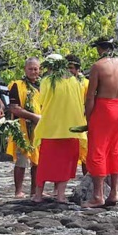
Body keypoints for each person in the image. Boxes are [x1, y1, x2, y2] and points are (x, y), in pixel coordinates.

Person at [31, 54, 88, 203]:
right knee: (66, 163)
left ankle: (38, 195)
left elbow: (42, 100)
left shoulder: (47, 81)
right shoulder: (75, 81)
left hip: (50, 128)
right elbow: (80, 101)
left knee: (44, 163)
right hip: (71, 128)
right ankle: (61, 196)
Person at [83, 37, 118, 208]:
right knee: (115, 150)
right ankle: (114, 192)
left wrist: (88, 118)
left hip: (104, 107)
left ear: (100, 48)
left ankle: (98, 196)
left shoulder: (98, 66)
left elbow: (90, 96)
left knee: (97, 150)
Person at [6, 58, 42, 198]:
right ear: (25, 70)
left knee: (37, 160)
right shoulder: (16, 85)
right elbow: (14, 109)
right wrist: (34, 117)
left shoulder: (42, 86)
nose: (33, 72)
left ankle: (35, 190)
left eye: (36, 69)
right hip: (22, 128)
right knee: (22, 160)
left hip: (39, 128)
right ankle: (18, 191)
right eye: (30, 69)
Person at [67, 54, 90, 174]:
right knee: (64, 156)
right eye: (66, 68)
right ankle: (58, 189)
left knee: (85, 154)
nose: (68, 70)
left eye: (71, 67)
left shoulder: (86, 84)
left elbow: (89, 103)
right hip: (65, 124)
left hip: (83, 123)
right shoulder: (60, 83)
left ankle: (85, 183)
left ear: (78, 69)